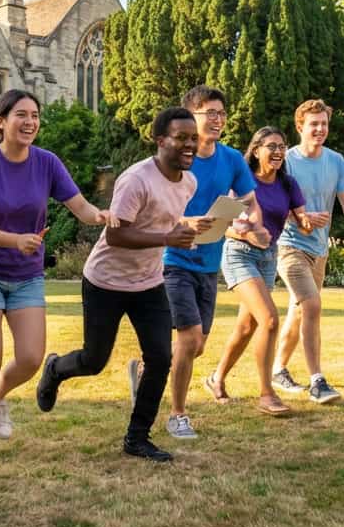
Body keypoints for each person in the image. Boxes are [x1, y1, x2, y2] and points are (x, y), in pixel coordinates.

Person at [35, 107, 211, 462]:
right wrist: (167, 238)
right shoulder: (136, 179)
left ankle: (137, 437)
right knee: (93, 360)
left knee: (160, 358)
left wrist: (190, 227)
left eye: (193, 138)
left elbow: (164, 219)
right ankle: (55, 368)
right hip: (106, 282)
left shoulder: (189, 182)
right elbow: (116, 235)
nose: (190, 144)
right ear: (160, 140)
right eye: (181, 138)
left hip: (148, 283)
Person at [0, 89, 115, 464]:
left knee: (30, 357)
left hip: (26, 274)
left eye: (35, 116)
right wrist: (15, 241)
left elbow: (79, 206)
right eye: (21, 115)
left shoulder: (46, 162)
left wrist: (101, 216)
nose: (30, 122)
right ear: (1, 122)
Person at [152, 86, 262, 439]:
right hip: (173, 259)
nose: (217, 119)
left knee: (197, 345)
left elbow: (249, 202)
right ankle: (178, 415)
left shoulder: (231, 159)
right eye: (209, 112)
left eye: (221, 113)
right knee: (188, 338)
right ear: (190, 117)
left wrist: (249, 221)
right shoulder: (177, 159)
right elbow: (156, 213)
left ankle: (146, 371)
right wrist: (187, 223)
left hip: (208, 263)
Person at [208, 127, 312, 416]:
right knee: (268, 320)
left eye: (282, 146)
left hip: (268, 257)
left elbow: (301, 219)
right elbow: (221, 225)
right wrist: (248, 236)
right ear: (256, 150)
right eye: (271, 146)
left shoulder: (288, 184)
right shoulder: (242, 182)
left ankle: (216, 378)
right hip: (239, 253)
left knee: (247, 326)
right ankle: (267, 394)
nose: (278, 151)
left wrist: (308, 221)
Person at [272, 100, 344, 403]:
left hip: (319, 249)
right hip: (289, 246)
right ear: (300, 126)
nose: (320, 129)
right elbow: (271, 204)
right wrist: (303, 217)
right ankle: (317, 381)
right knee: (311, 306)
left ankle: (278, 370)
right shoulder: (286, 160)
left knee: (299, 312)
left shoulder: (336, 160)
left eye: (324, 124)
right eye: (314, 124)